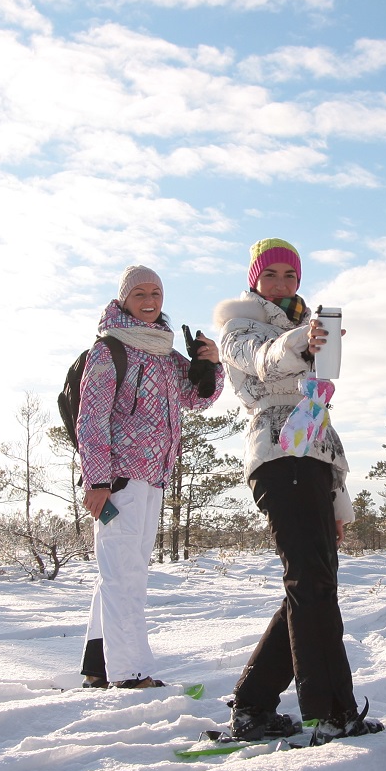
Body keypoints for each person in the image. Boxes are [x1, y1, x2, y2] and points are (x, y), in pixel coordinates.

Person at [213, 238, 383, 745]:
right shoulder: (239, 327)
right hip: (277, 454)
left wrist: (338, 496)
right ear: (254, 279)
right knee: (311, 585)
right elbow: (263, 360)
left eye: (291, 276)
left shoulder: (302, 327)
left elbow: (318, 410)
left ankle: (253, 705)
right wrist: (300, 344)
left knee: (310, 586)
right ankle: (330, 711)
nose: (283, 284)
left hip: (314, 456)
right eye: (273, 275)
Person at [77, 266, 223, 689]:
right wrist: (98, 480)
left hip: (153, 477)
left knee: (123, 571)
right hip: (119, 479)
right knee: (125, 575)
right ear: (123, 299)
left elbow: (197, 399)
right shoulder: (109, 350)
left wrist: (208, 366)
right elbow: (91, 419)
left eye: (156, 292)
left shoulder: (162, 349)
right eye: (139, 292)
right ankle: (128, 672)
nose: (149, 299)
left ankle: (98, 666)